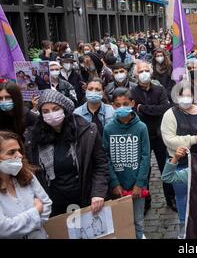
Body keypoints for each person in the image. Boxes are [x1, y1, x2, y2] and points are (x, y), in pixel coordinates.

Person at [24, 90, 109, 217]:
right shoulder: (33, 137)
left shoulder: (85, 131)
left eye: (55, 108)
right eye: (45, 111)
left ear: (64, 108)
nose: (51, 114)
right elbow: (32, 171)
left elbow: (100, 164)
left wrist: (98, 193)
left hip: (84, 199)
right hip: (54, 203)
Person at [161, 82, 197, 238]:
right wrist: (193, 139)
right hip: (180, 162)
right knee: (182, 195)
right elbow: (169, 139)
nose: (185, 98)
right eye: (182, 95)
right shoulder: (170, 114)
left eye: (188, 95)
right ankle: (183, 224)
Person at [103, 88, 150, 239]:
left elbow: (145, 156)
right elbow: (106, 157)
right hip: (118, 185)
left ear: (132, 103)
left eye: (125, 104)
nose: (121, 107)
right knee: (121, 221)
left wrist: (140, 183)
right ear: (112, 106)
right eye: (117, 105)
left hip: (137, 184)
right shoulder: (108, 129)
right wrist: (115, 183)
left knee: (138, 221)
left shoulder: (141, 127)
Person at [131, 61, 176, 212]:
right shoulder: (132, 93)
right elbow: (133, 113)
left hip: (160, 135)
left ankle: (170, 198)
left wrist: (142, 108)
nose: (144, 73)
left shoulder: (159, 90)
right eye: (140, 71)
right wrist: (148, 110)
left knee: (166, 167)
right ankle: (146, 199)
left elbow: (165, 108)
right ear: (136, 75)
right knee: (144, 170)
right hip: (142, 137)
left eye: (146, 70)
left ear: (150, 73)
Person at [0, 131, 52, 239]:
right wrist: (36, 210)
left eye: (19, 150)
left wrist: (21, 226)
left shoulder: (27, 176)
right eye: (11, 152)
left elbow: (47, 204)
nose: (19, 155)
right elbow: (4, 229)